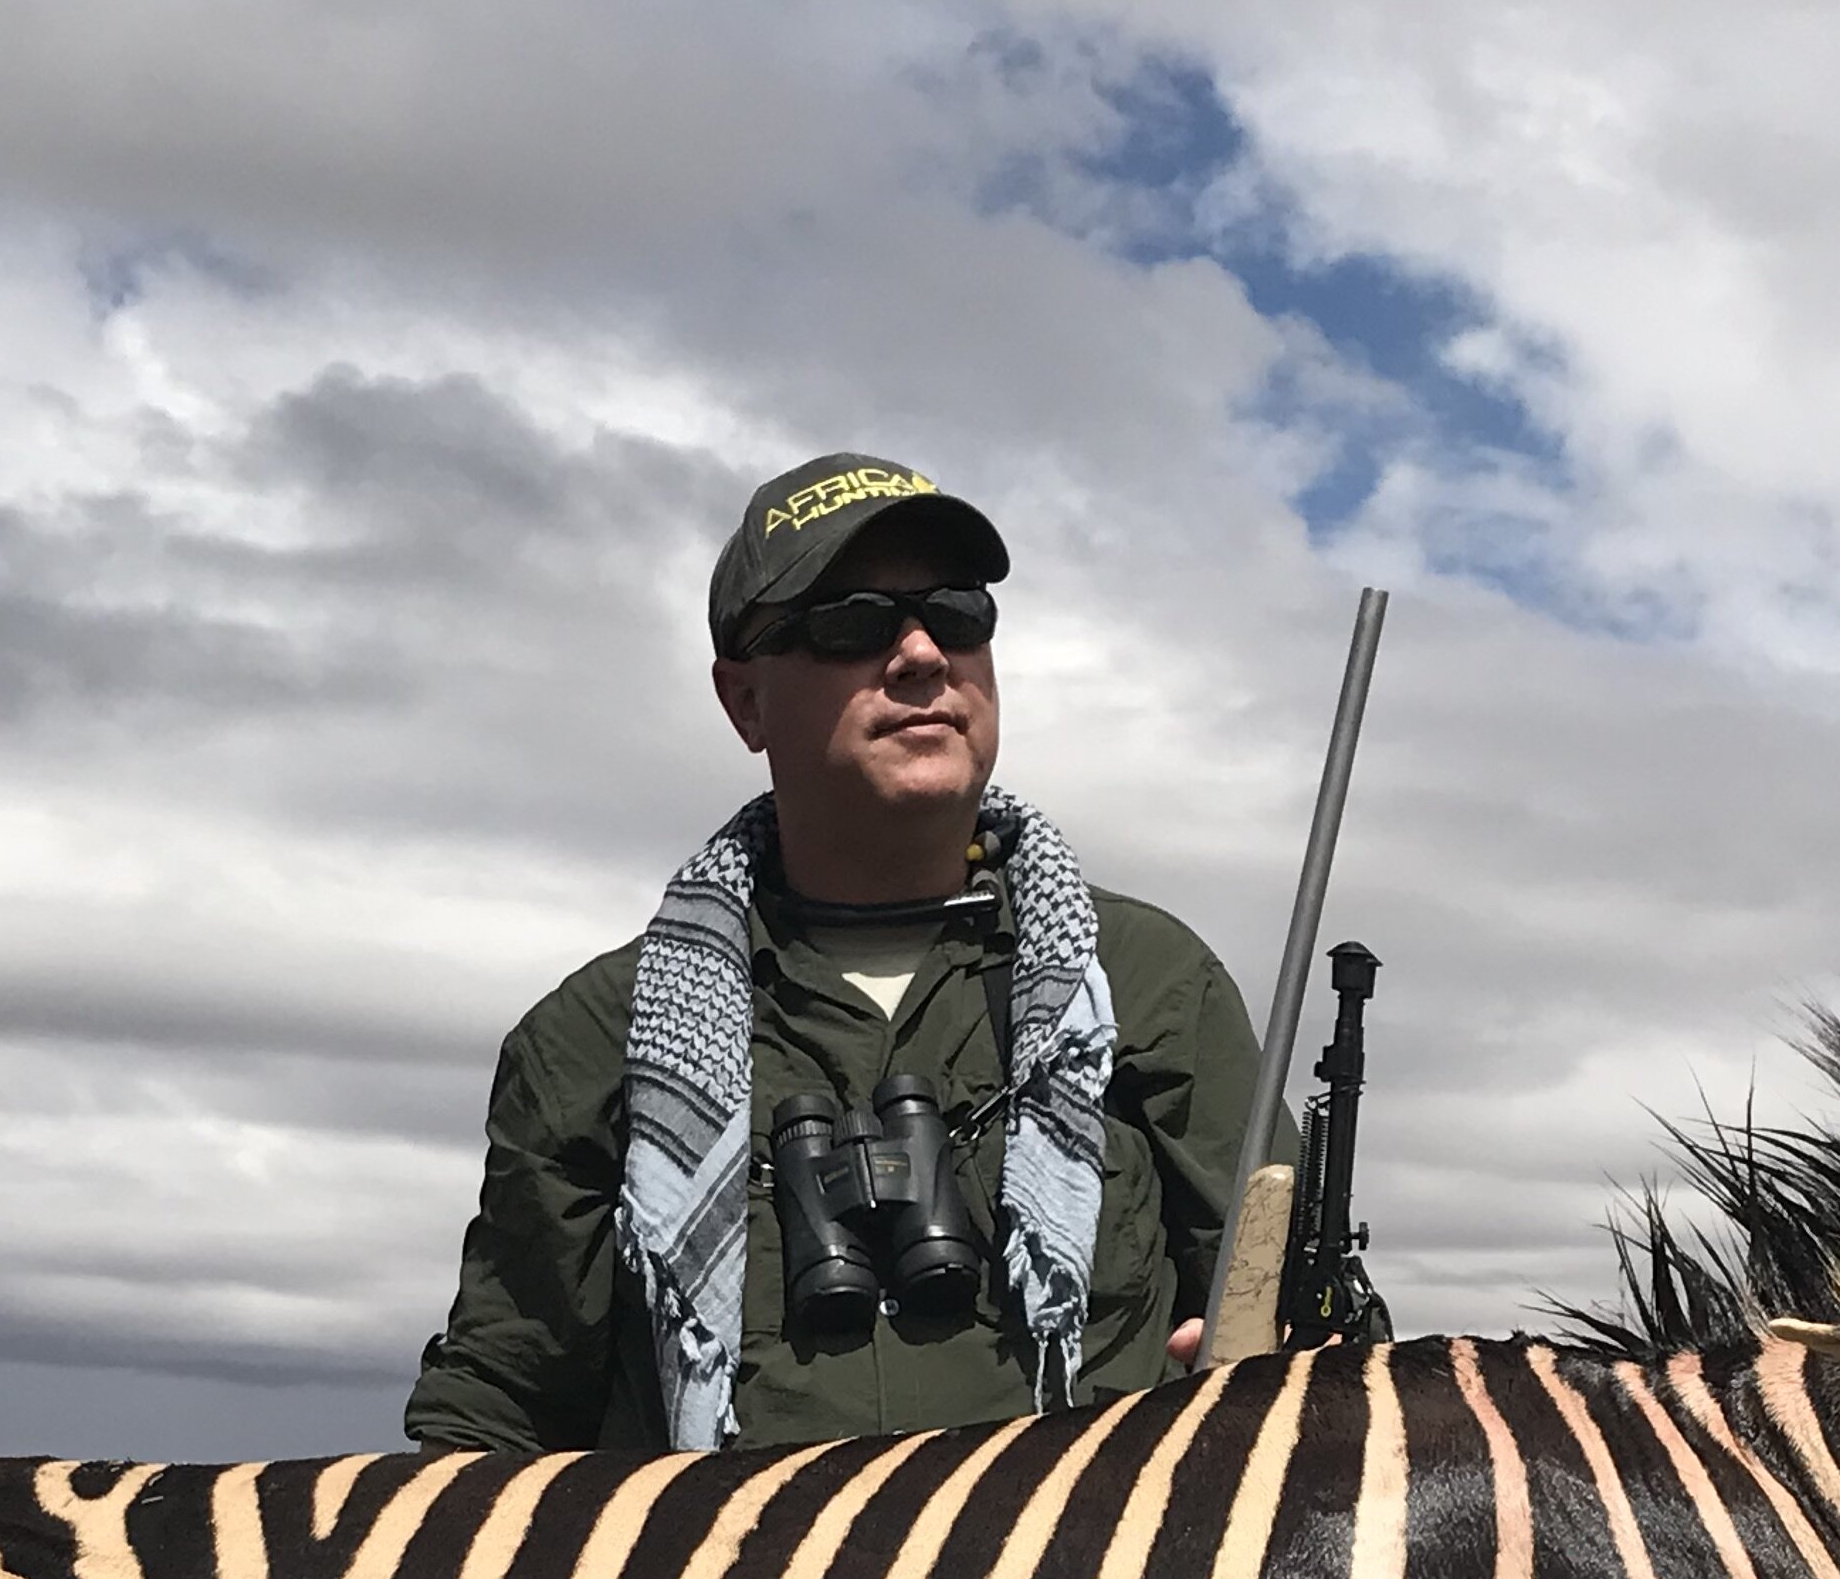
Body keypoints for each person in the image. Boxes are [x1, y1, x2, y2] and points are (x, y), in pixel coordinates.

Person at [405, 452, 1284, 1455]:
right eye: (850, 624)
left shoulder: (1154, 981)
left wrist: (1297, 1351)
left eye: (956, 613)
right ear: (744, 702)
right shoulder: (596, 1036)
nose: (919, 654)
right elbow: (501, 1411)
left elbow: (1307, 1339)